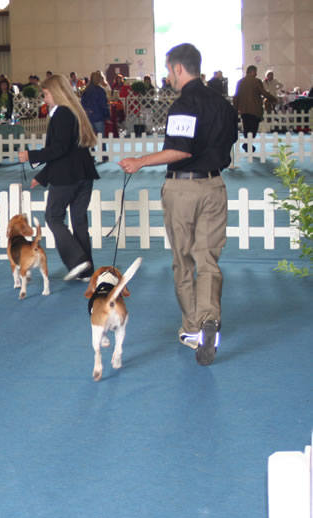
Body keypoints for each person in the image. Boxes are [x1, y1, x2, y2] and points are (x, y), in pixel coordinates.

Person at [118, 43, 238, 366]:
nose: (168, 77)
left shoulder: (183, 105)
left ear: (179, 69)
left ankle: (193, 328)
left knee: (183, 260)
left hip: (183, 189)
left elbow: (181, 150)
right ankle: (210, 318)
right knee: (208, 260)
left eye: (169, 70)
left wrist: (140, 161)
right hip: (215, 185)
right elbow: (229, 143)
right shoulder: (224, 105)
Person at [17, 75, 100, 282]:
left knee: (53, 217)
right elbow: (68, 151)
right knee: (79, 221)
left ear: (56, 93)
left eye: (45, 94)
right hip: (83, 175)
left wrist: (32, 155)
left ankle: (77, 260)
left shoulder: (62, 113)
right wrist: (42, 176)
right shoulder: (74, 112)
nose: (44, 99)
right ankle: (86, 271)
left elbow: (59, 149)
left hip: (67, 177)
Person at [232, 65, 276, 151]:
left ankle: (247, 144)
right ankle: (247, 145)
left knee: (246, 128)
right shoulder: (257, 81)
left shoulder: (240, 82)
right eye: (255, 71)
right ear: (252, 71)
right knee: (253, 129)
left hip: (244, 110)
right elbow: (263, 92)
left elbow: (236, 96)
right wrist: (273, 99)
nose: (256, 73)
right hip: (255, 110)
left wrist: (235, 109)